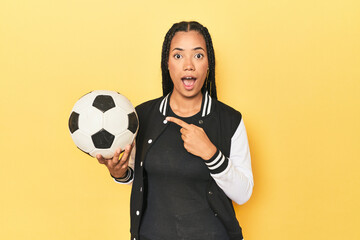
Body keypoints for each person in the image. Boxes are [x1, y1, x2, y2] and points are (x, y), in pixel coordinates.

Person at [96, 21, 254, 240]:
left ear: (209, 64)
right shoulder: (141, 116)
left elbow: (244, 194)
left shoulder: (229, 120)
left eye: (198, 56)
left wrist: (211, 153)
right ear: (167, 63)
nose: (188, 65)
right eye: (178, 56)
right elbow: (137, 175)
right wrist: (119, 173)